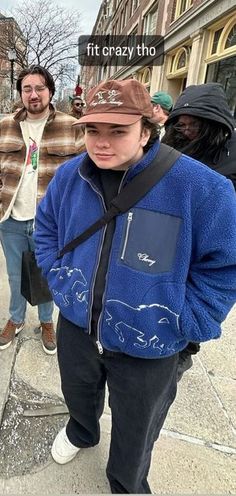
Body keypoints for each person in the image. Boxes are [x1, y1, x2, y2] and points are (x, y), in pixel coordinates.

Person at [34, 79, 236, 494]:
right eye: (93, 130)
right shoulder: (71, 174)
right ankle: (82, 431)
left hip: (150, 343)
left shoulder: (203, 188)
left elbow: (224, 267)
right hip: (77, 325)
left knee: (138, 425)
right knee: (78, 392)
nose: (101, 143)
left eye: (118, 131)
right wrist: (58, 277)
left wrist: (186, 320)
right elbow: (47, 228)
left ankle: (126, 482)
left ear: (146, 130)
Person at [0, 65, 84, 354]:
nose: (33, 94)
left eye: (39, 88)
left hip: (50, 220)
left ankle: (47, 322)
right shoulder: (6, 125)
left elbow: (88, 170)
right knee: (14, 274)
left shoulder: (72, 126)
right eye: (27, 89)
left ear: (50, 91)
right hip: (10, 217)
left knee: (47, 274)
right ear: (20, 93)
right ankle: (16, 318)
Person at [162, 82, 236, 380]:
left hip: (205, 249)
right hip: (164, 243)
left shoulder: (230, 158)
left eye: (194, 124)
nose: (187, 129)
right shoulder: (170, 144)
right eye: (182, 123)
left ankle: (184, 351)